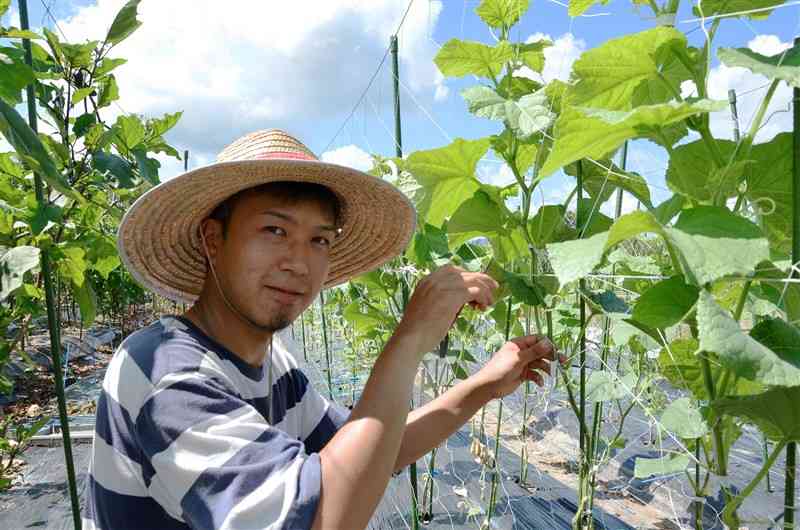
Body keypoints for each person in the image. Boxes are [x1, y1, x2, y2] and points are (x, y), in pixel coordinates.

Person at [85, 129, 561, 530]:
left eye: (320, 240)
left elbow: (371, 447)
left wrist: (483, 385)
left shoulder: (271, 363)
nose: (299, 262)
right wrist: (410, 338)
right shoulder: (163, 369)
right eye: (274, 230)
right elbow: (318, 517)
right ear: (214, 239)